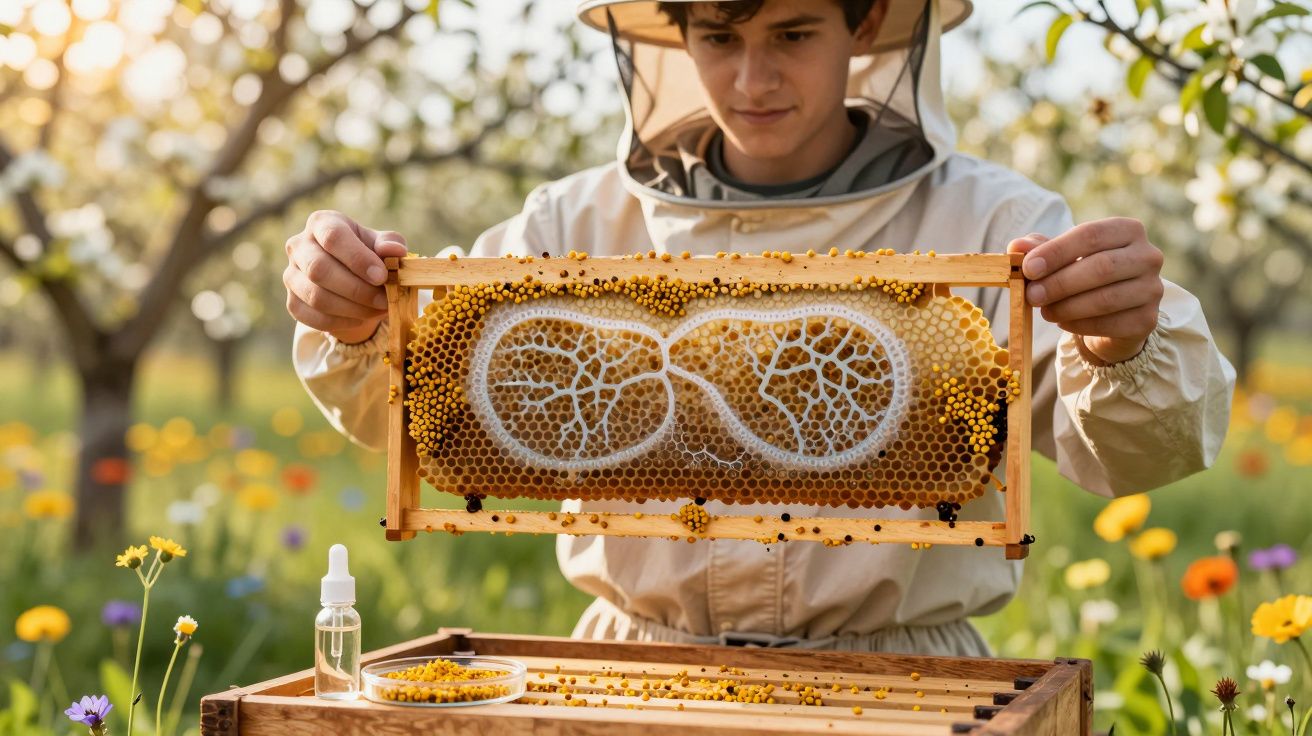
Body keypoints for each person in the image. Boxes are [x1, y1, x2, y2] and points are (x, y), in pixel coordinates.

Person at [284, 0, 1235, 656]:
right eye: (720, 34)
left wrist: (1121, 341)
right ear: (679, 34)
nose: (752, 76)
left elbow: (1130, 453)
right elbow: (415, 409)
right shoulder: (568, 227)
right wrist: (356, 315)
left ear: (862, 24)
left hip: (901, 668)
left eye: (791, 32)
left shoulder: (990, 224)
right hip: (634, 669)